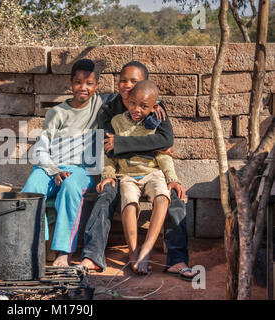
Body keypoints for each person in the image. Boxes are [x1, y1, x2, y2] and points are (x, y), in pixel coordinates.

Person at [81, 61, 195, 280]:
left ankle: (177, 259)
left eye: (134, 81)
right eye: (123, 80)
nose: (127, 85)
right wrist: (108, 175)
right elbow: (107, 147)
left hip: (153, 170)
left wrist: (122, 143)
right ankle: (93, 256)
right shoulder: (110, 110)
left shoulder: (156, 108)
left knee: (175, 197)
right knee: (106, 194)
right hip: (120, 171)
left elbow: (165, 142)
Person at [21, 59, 109, 267]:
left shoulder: (100, 105)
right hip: (52, 167)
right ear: (71, 84)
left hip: (83, 169)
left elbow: (130, 96)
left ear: (96, 86)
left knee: (70, 188)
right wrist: (53, 170)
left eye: (89, 83)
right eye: (78, 82)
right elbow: (41, 148)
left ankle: (63, 252)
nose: (83, 88)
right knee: (31, 189)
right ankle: (35, 246)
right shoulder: (57, 113)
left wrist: (157, 105)